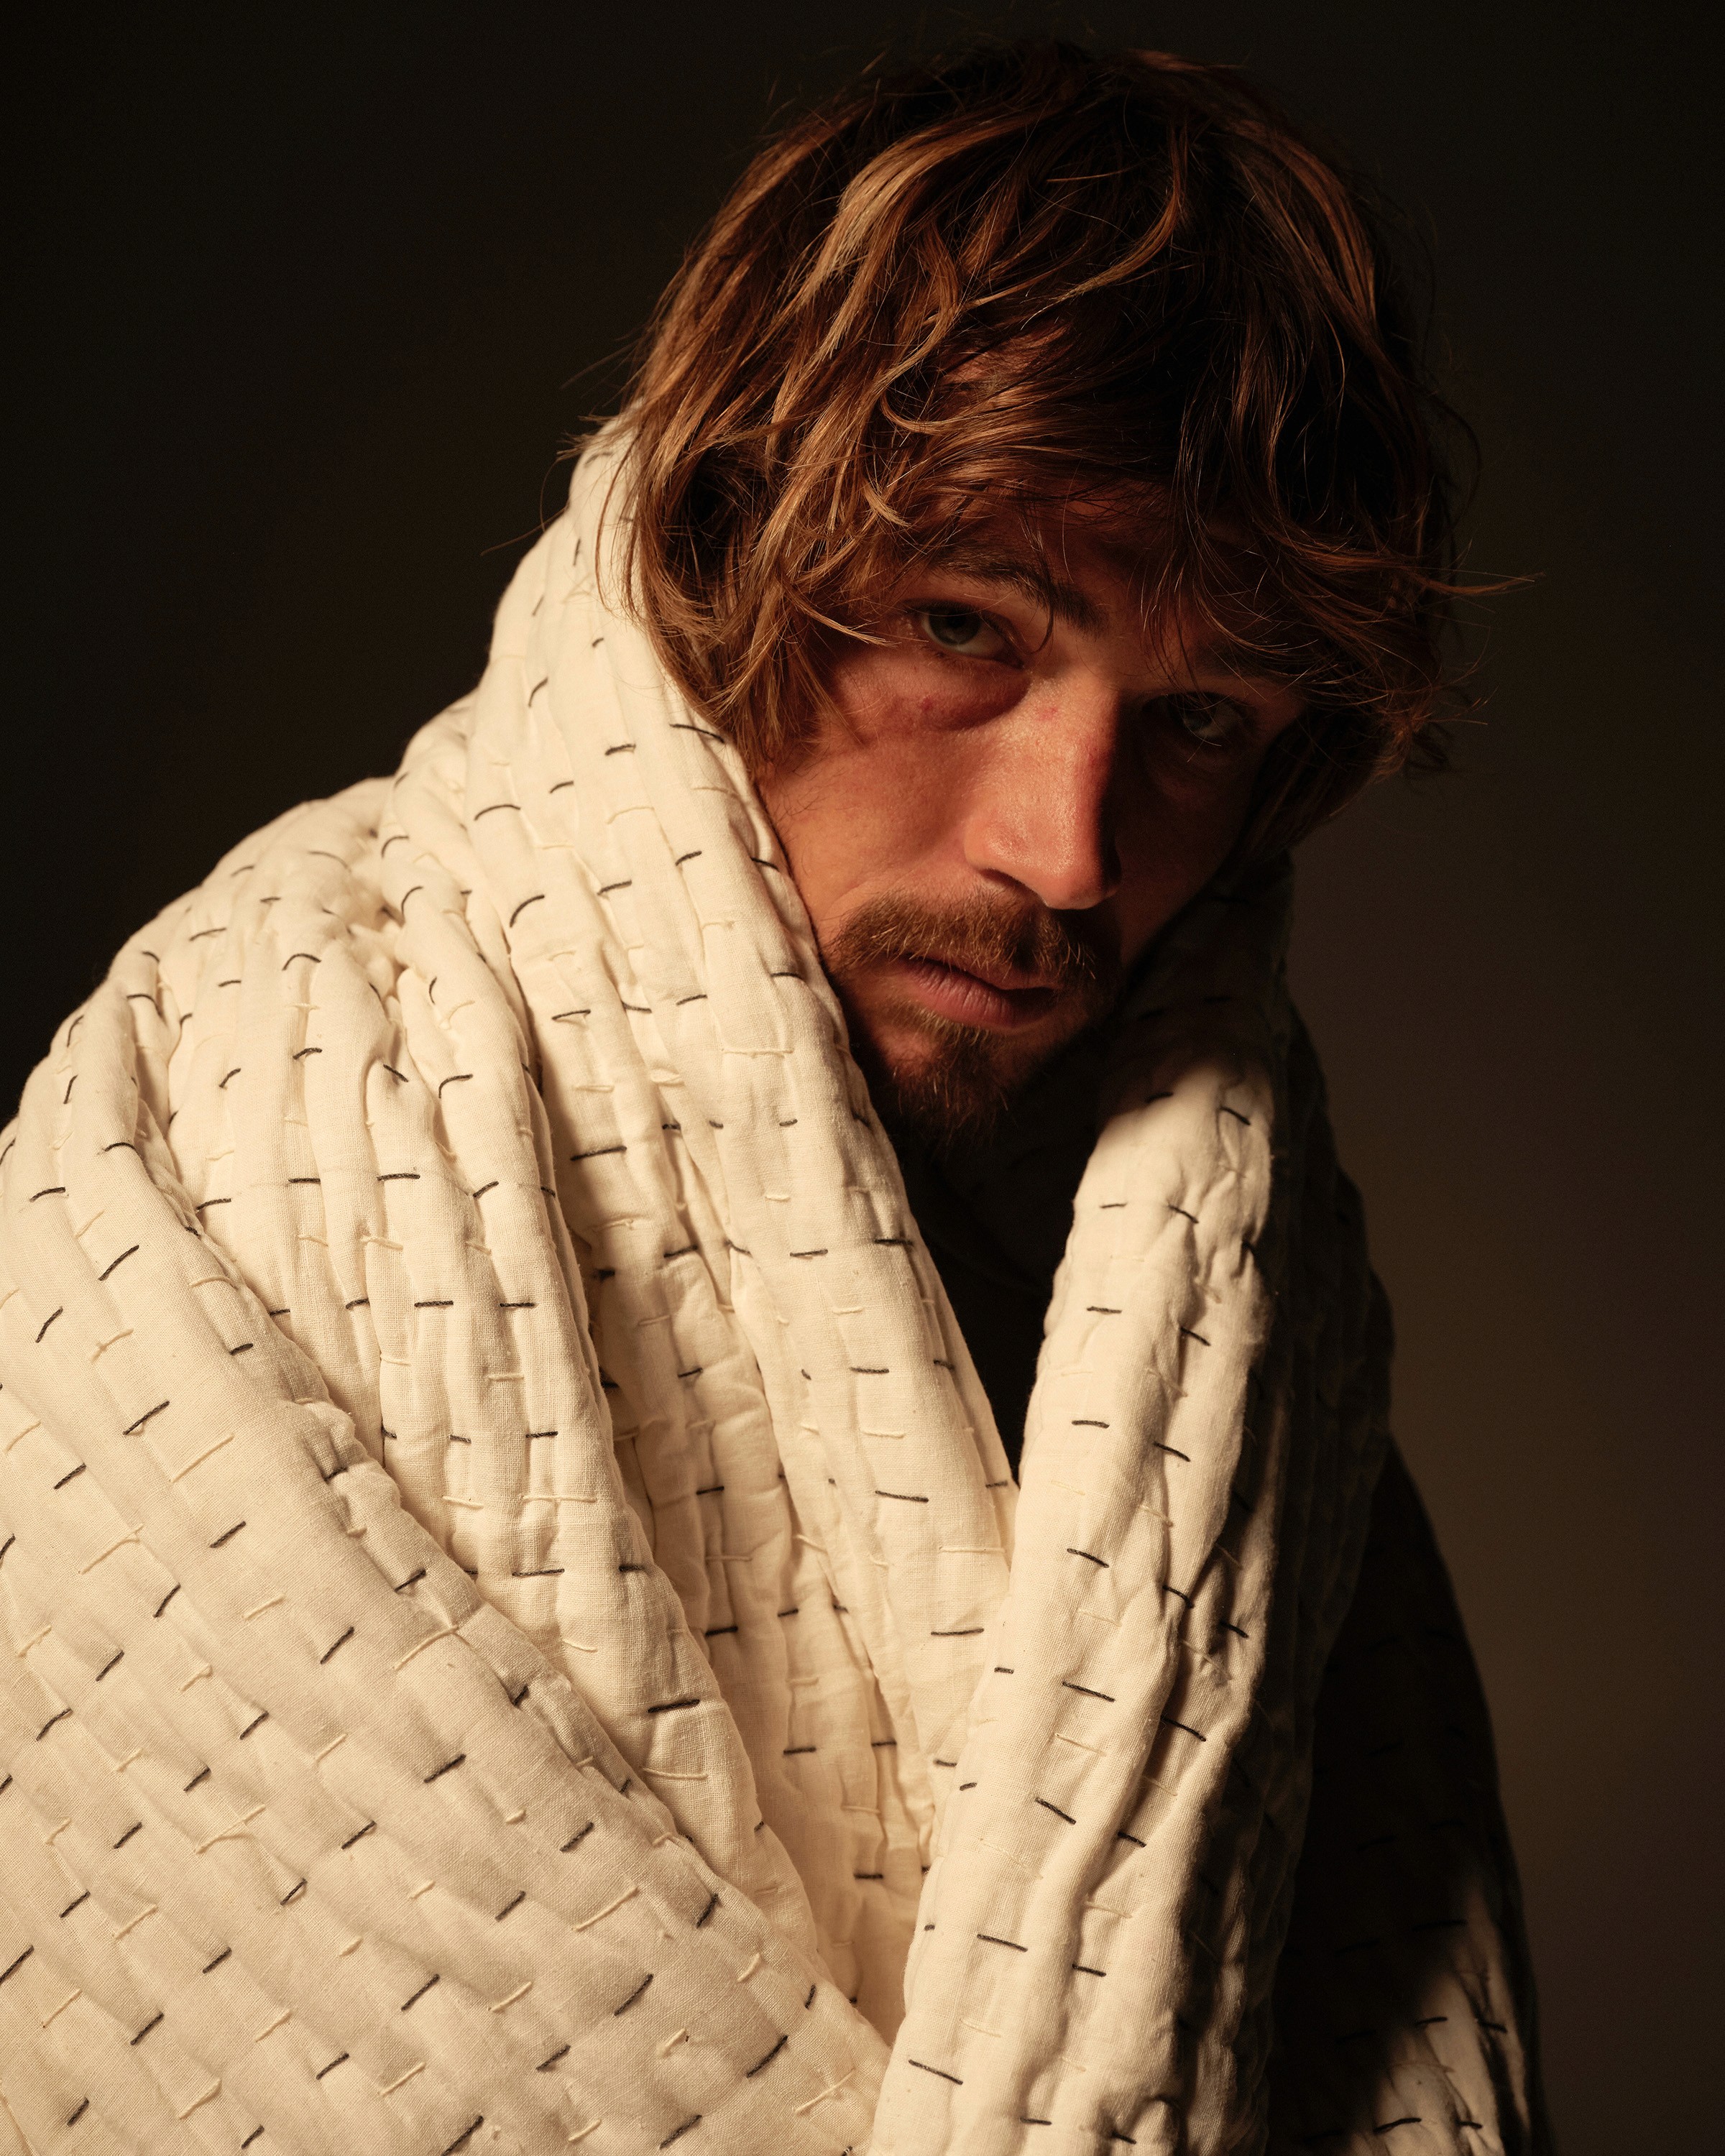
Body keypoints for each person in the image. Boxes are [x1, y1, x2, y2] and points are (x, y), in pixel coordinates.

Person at [0, 44, 1549, 2155]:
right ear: (725, 547)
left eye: (1199, 722)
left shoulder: (1245, 1300)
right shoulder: (236, 1104)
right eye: (961, 626)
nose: (1068, 851)